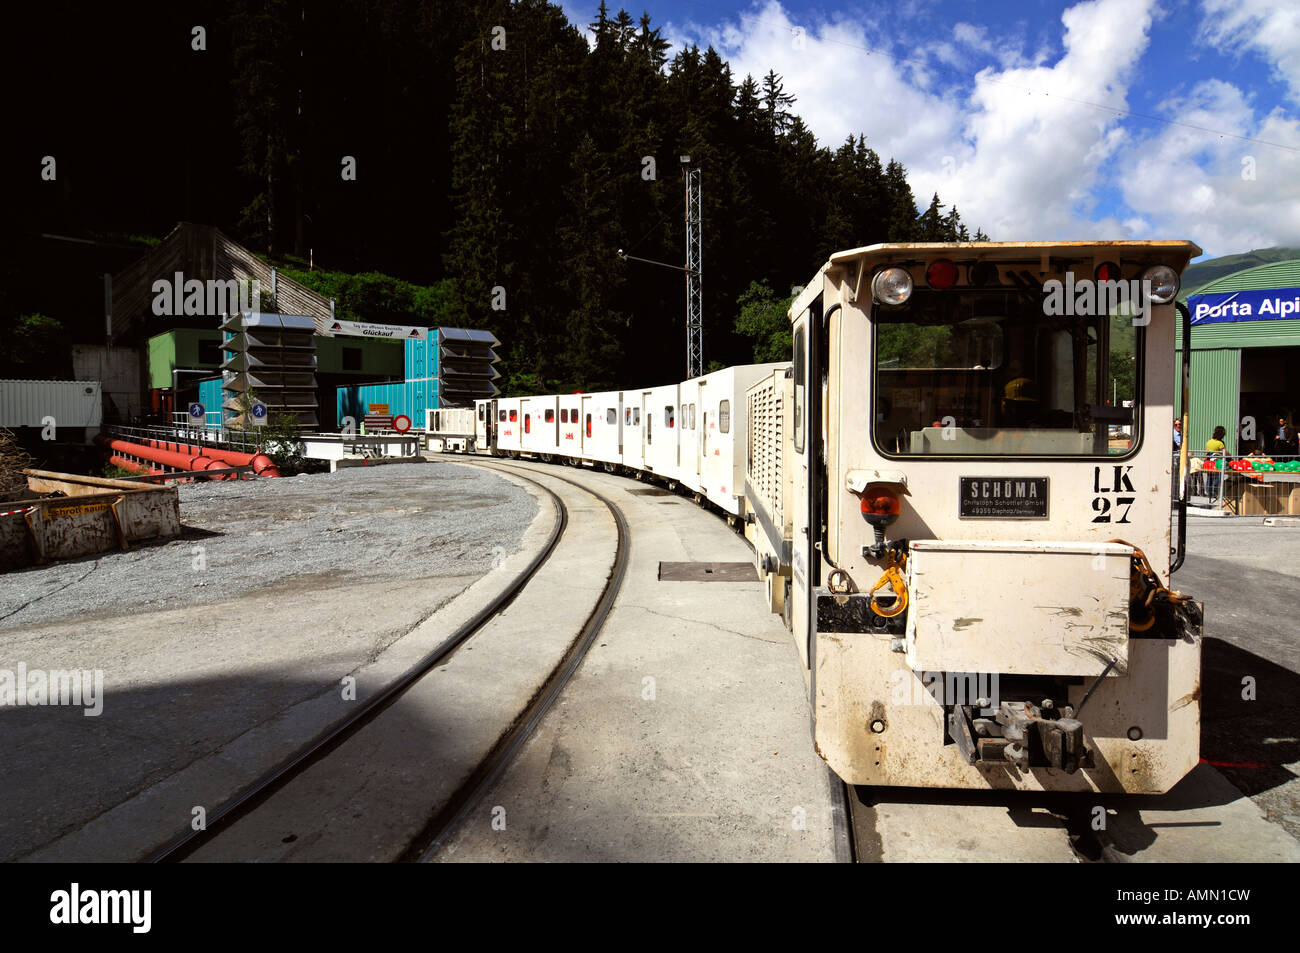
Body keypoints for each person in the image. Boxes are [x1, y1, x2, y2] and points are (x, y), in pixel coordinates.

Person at [1204, 425, 1227, 501]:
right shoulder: (1220, 443)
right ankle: (1214, 492)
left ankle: (1208, 492)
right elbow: (1225, 453)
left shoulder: (1209, 442)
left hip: (1208, 462)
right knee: (1218, 476)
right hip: (1217, 463)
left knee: (1209, 477)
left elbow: (1206, 453)